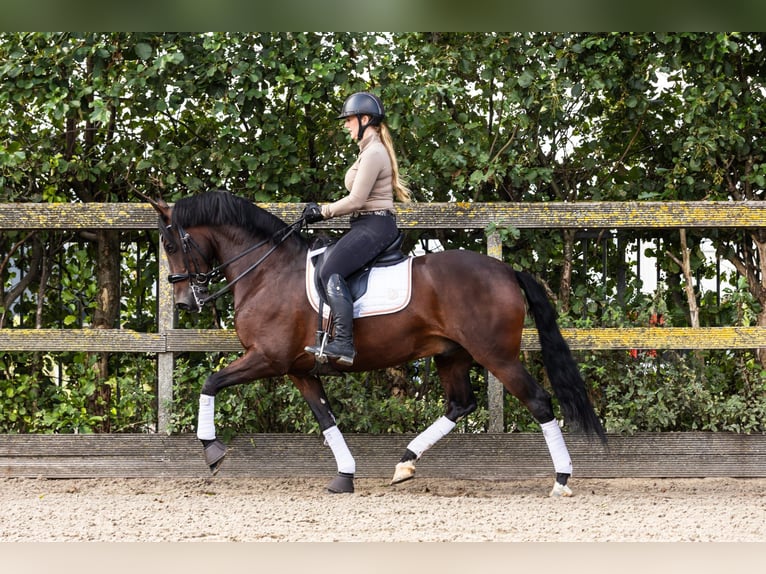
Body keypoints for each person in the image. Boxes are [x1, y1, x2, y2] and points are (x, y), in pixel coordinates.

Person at [302, 91, 411, 365]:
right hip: (366, 224)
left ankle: (343, 343)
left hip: (375, 225)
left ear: (365, 119)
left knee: (330, 269)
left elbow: (357, 200)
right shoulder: (367, 151)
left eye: (349, 120)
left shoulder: (374, 152)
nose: (346, 125)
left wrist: (322, 212)